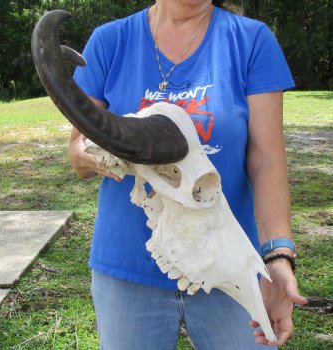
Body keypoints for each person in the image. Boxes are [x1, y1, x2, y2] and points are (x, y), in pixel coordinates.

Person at [69, 0, 307, 348]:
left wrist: (277, 254)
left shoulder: (251, 40)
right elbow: (79, 150)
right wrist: (88, 155)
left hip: (229, 265)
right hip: (127, 269)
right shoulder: (109, 41)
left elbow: (267, 158)